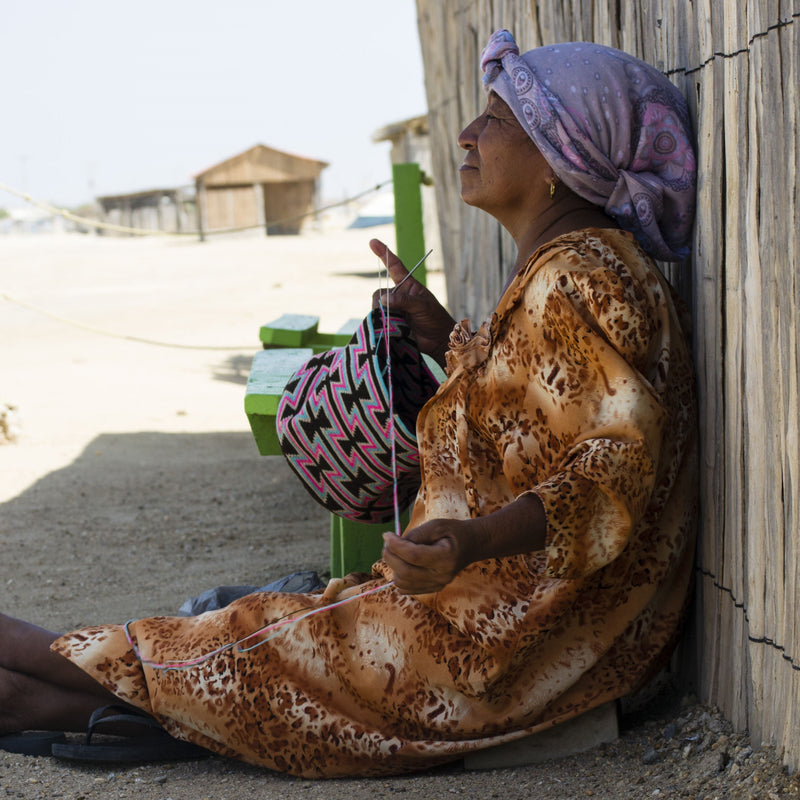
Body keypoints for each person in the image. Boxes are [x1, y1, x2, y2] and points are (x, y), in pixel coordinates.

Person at [0, 30, 697, 777]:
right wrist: (448, 339)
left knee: (253, 642)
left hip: (517, 639)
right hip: (514, 620)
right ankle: (53, 696)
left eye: (496, 119)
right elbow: (534, 411)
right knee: (257, 640)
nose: (467, 134)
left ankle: (41, 672)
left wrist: (469, 542)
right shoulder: (567, 271)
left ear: (562, 156)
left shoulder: (581, 279)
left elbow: (608, 471)